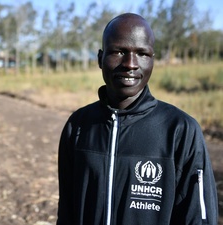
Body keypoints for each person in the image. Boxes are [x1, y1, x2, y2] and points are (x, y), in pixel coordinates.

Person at [57, 13, 218, 225]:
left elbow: (198, 218)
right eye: (119, 51)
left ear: (152, 59)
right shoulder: (78, 126)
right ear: (100, 58)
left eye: (142, 53)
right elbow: (67, 210)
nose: (130, 64)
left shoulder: (180, 130)